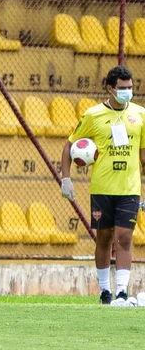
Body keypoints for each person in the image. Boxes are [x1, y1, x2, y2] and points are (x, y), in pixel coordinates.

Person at [61, 66, 145, 305]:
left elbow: (144, 156)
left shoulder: (140, 115)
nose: (128, 92)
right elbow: (69, 145)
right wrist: (66, 178)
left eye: (130, 88)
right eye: (122, 88)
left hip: (129, 188)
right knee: (104, 239)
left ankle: (121, 291)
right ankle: (104, 291)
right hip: (102, 187)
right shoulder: (93, 115)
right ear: (110, 88)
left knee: (125, 238)